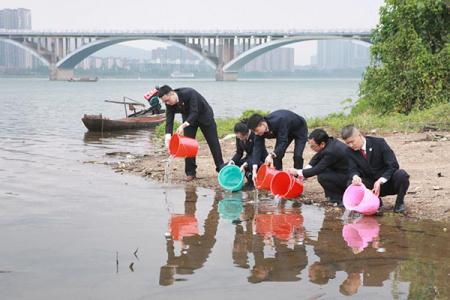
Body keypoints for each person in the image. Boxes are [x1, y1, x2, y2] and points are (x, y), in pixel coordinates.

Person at [158, 85, 224, 181]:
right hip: (188, 119)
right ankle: (190, 172)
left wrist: (183, 126)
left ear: (172, 93)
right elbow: (169, 121)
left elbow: (195, 112)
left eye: (167, 100)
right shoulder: (168, 104)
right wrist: (167, 137)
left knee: (213, 143)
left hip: (204, 116)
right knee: (188, 145)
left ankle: (220, 168)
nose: (167, 103)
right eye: (164, 102)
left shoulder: (189, 93)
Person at [341, 125, 410, 213]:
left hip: (387, 183)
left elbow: (393, 165)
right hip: (370, 186)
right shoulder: (349, 151)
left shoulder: (379, 143)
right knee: (351, 182)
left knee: (402, 175)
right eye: (347, 143)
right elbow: (352, 169)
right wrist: (355, 176)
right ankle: (375, 203)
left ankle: (399, 203)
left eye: (352, 141)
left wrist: (380, 181)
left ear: (359, 135)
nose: (350, 145)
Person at [287, 128, 349, 204]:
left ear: (322, 144)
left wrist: (297, 172)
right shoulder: (330, 142)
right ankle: (332, 196)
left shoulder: (331, 151)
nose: (311, 148)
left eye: (313, 146)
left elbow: (317, 170)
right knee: (325, 171)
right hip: (342, 171)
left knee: (323, 177)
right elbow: (317, 157)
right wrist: (304, 170)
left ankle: (338, 198)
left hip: (350, 177)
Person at [247, 110, 308, 181]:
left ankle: (298, 177)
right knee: (277, 155)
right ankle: (279, 176)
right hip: (284, 133)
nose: (256, 133)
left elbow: (283, 142)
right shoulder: (258, 133)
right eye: (254, 132)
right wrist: (254, 170)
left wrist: (270, 155)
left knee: (297, 155)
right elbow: (257, 148)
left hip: (299, 129)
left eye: (256, 130)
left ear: (263, 124)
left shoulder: (280, 120)